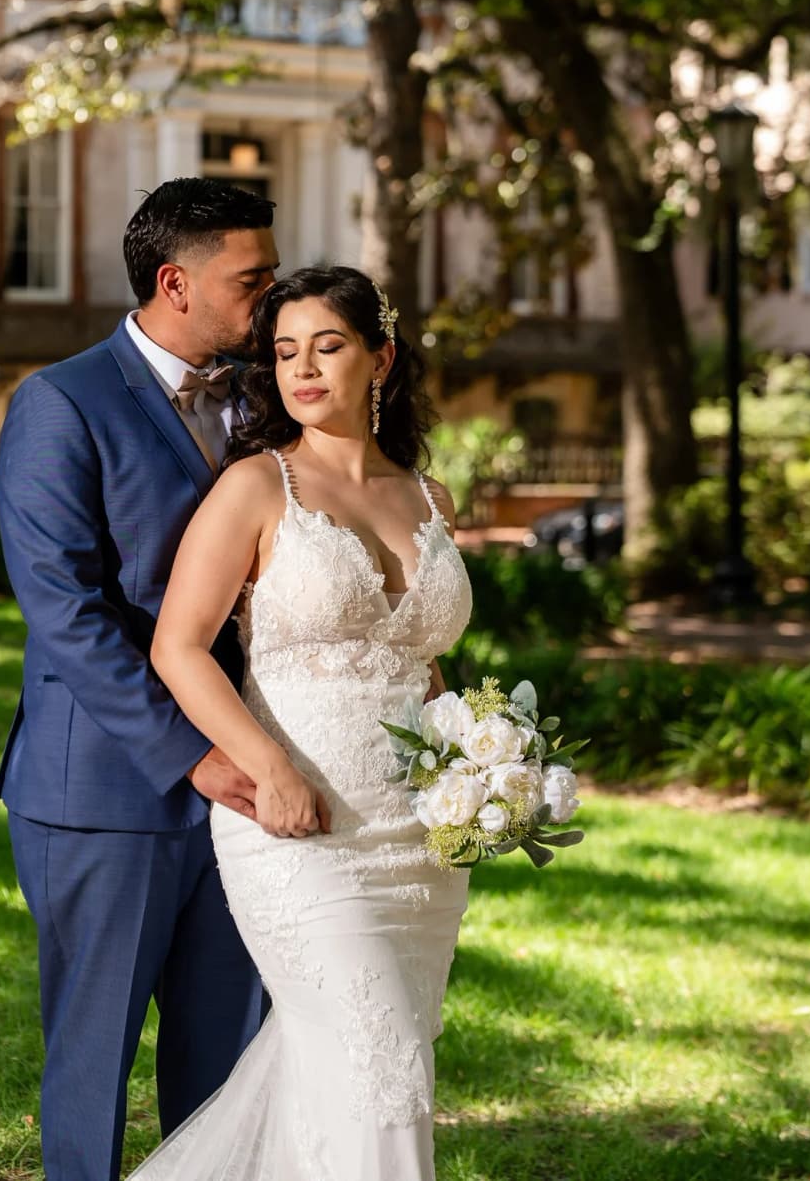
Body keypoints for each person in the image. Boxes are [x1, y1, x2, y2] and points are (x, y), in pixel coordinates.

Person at [126, 264, 473, 1180]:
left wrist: (482, 776)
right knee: (379, 1071)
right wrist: (262, 766)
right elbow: (180, 649)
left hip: (418, 846)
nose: (303, 369)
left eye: (328, 346)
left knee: (354, 1075)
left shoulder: (431, 500)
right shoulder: (255, 487)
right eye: (285, 352)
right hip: (298, 827)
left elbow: (424, 665)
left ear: (382, 359)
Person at [0, 177, 282, 1181]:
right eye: (254, 281)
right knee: (93, 1060)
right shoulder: (60, 401)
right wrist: (193, 751)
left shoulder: (263, 399)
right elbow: (64, 610)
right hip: (106, 790)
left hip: (251, 786)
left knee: (231, 1053)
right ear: (177, 283)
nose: (272, 299)